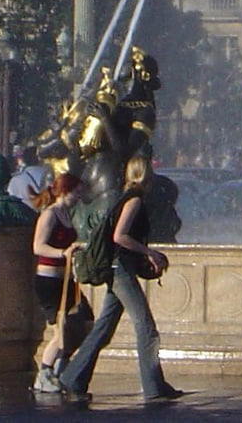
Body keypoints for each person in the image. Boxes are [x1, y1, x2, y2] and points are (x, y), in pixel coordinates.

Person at [58, 157, 185, 405]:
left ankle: (72, 377)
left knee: (104, 327)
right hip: (120, 269)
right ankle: (153, 386)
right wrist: (149, 253)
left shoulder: (125, 196)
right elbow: (120, 236)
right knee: (146, 327)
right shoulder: (134, 200)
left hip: (117, 267)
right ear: (146, 175)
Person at [30, 173, 87, 396]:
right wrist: (63, 252)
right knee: (60, 332)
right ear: (65, 191)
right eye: (76, 192)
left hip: (65, 279)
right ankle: (43, 375)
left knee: (84, 322)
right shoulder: (50, 215)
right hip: (48, 280)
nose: (79, 196)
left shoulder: (66, 213)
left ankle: (61, 367)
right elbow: (38, 247)